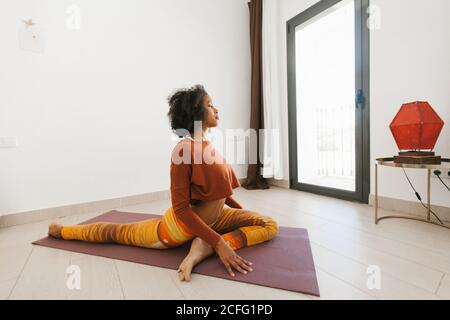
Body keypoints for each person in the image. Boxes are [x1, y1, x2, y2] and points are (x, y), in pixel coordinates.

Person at [48, 84, 278, 282]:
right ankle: (63, 231)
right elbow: (180, 209)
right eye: (210, 104)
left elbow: (221, 192)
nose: (216, 109)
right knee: (117, 232)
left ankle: (203, 246)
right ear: (196, 113)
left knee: (269, 224)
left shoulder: (209, 146)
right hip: (176, 229)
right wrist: (220, 243)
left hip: (216, 219)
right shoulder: (183, 150)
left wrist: (238, 217)